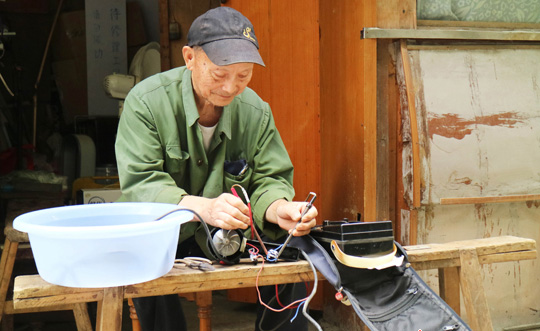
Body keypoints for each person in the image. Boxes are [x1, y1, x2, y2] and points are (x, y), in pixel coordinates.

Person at [115, 6, 318, 331]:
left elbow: (270, 177)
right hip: (164, 231)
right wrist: (203, 208)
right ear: (189, 58)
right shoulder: (147, 102)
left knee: (287, 254)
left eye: (243, 76)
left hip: (230, 234)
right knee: (144, 260)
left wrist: (279, 208)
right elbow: (141, 183)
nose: (230, 88)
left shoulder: (255, 112)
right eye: (219, 74)